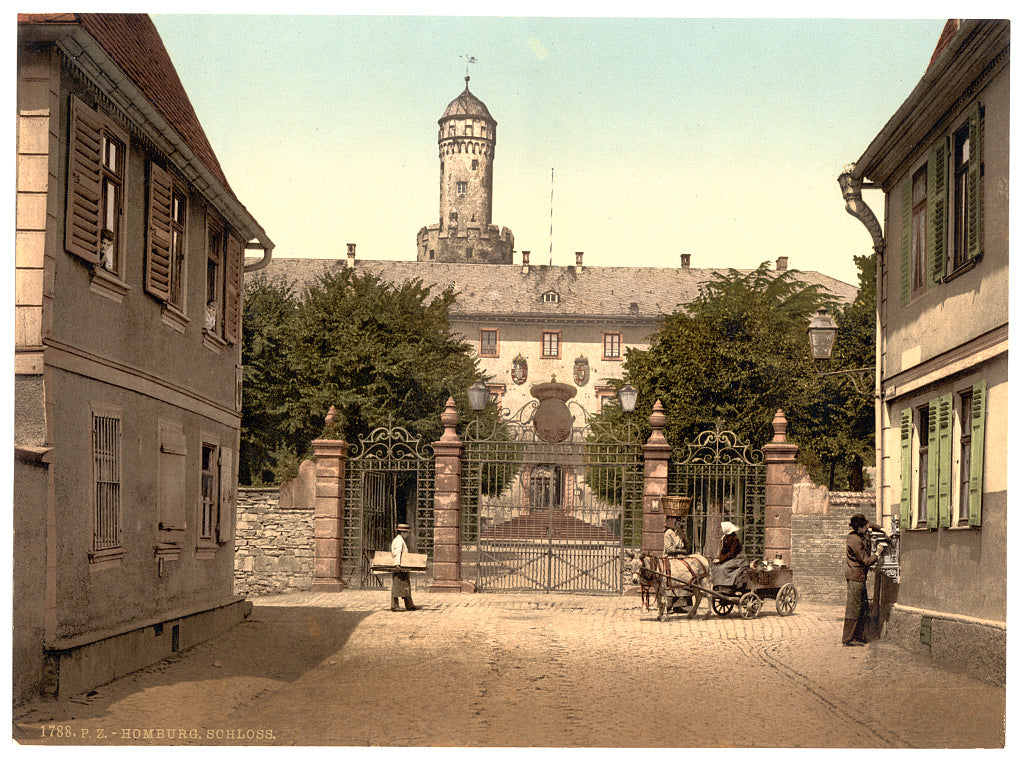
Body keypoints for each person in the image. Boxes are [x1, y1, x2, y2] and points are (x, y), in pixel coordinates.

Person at [844, 513, 887, 646]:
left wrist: (883, 529)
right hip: (855, 578)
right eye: (864, 527)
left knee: (862, 608)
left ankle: (859, 636)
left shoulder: (859, 531)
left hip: (859, 577)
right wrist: (878, 553)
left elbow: (870, 525)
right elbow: (866, 561)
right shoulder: (854, 541)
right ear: (859, 528)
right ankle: (847, 639)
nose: (867, 529)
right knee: (853, 609)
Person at [711, 521, 748, 589]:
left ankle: (727, 586)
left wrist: (720, 560)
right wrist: (719, 559)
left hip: (738, 559)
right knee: (715, 568)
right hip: (730, 558)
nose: (721, 530)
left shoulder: (734, 539)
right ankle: (717, 585)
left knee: (723, 568)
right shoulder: (726, 538)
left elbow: (732, 553)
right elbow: (723, 550)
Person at [390, 523, 418, 612]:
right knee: (397, 586)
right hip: (399, 567)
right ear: (402, 532)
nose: (407, 535)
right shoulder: (399, 541)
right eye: (406, 533)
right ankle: (394, 605)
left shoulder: (400, 540)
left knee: (405, 585)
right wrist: (397, 565)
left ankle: (409, 604)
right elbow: (397, 553)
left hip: (402, 566)